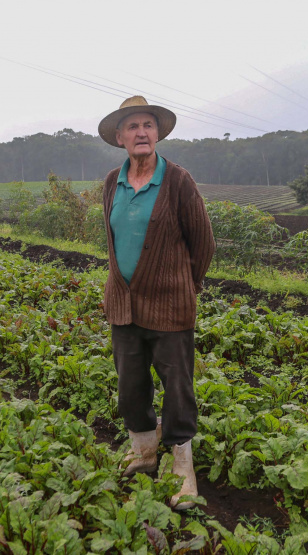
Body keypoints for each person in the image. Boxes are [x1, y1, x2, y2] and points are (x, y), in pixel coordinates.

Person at [97, 96, 215, 510]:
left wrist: (184, 285)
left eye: (148, 125)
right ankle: (144, 450)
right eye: (132, 127)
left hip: (171, 306)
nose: (141, 132)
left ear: (158, 133)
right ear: (120, 138)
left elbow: (203, 243)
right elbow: (113, 240)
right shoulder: (112, 182)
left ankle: (182, 465)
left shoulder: (178, 181)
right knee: (130, 384)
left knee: (177, 386)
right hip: (123, 305)